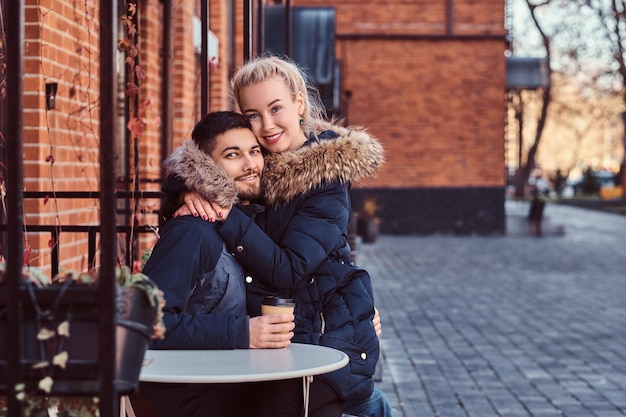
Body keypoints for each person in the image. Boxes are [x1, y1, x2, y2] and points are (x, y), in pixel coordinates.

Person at [167, 55, 391, 416]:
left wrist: (222, 208)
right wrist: (189, 188)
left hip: (328, 337)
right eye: (253, 114)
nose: (266, 125)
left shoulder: (325, 178)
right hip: (283, 340)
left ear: (298, 104)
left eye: (276, 108)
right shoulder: (257, 163)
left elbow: (289, 268)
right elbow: (206, 154)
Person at [141, 111, 301, 417]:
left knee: (371, 404)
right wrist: (242, 333)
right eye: (233, 155)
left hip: (241, 383)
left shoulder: (244, 222)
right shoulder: (192, 231)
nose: (250, 165)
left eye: (254, 151)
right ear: (206, 165)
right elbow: (147, 324)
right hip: (201, 398)